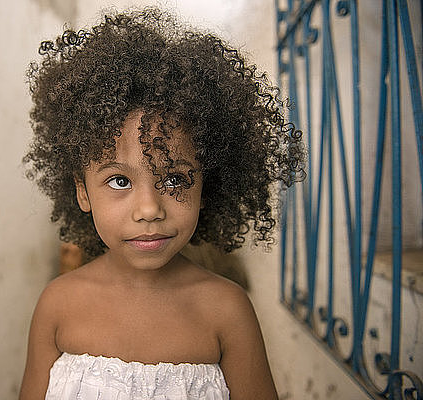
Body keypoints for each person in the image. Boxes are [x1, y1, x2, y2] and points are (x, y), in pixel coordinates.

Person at [19, 7, 303, 399]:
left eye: (173, 179)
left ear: (208, 185)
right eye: (119, 180)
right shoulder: (57, 305)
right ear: (83, 192)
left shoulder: (227, 311)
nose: (149, 208)